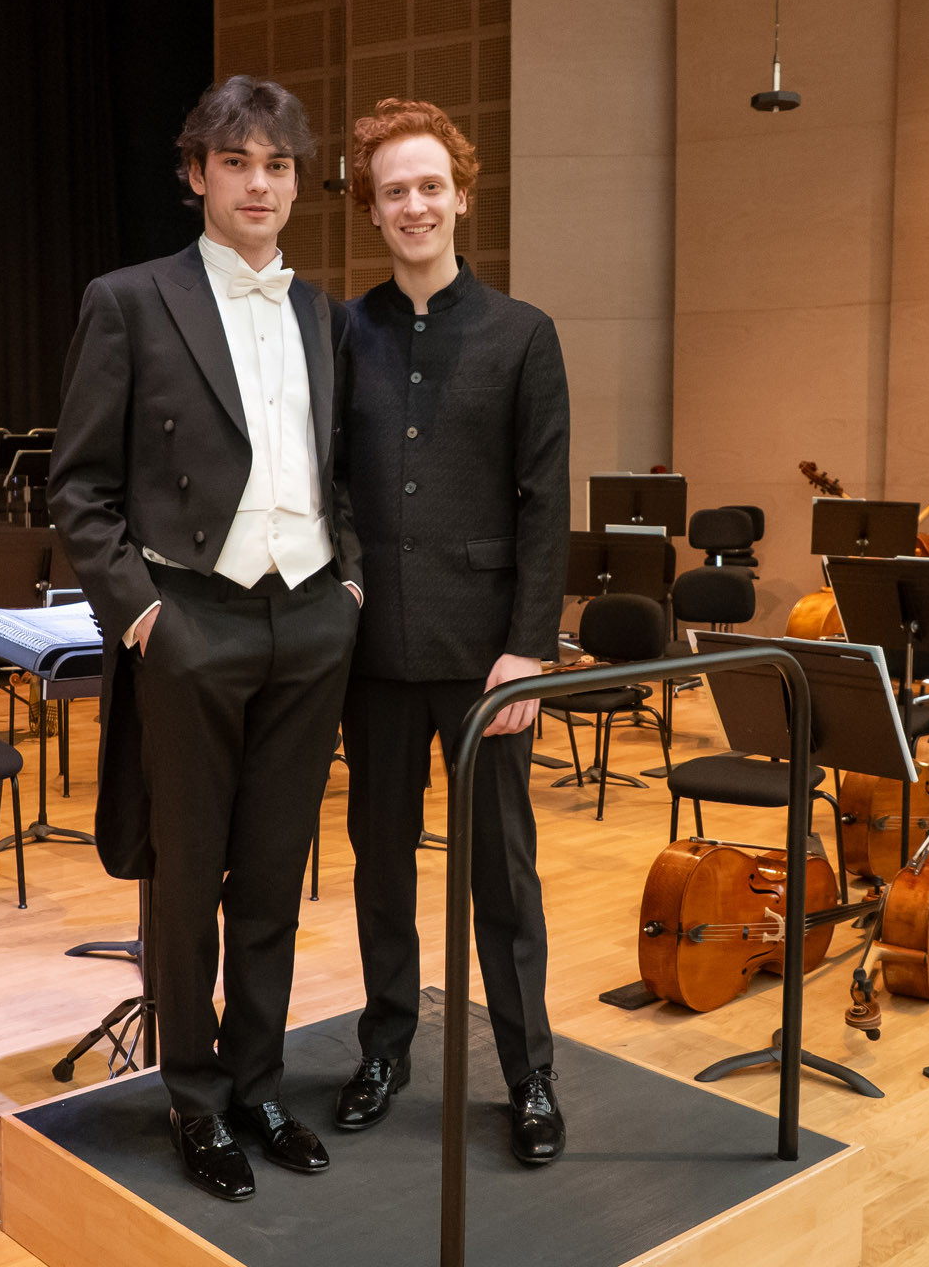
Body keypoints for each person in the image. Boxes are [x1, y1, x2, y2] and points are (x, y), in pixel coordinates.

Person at [48, 75, 363, 1203]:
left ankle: (258, 1083)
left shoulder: (325, 315)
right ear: (196, 174)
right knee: (186, 880)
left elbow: (343, 471)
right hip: (189, 620)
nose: (259, 183)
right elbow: (78, 486)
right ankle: (192, 1095)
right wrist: (142, 614)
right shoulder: (130, 300)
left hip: (309, 620)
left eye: (277, 164)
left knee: (274, 873)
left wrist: (350, 587)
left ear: (297, 182)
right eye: (237, 162)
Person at [334, 98, 571, 1163]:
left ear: (462, 195)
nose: (415, 205)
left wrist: (530, 648)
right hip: (372, 653)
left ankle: (529, 1074)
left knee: (503, 878)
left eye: (431, 185)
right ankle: (384, 1048)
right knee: (380, 865)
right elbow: (331, 485)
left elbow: (545, 503)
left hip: (489, 660)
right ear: (372, 209)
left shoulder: (524, 334)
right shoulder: (343, 333)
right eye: (395, 191)